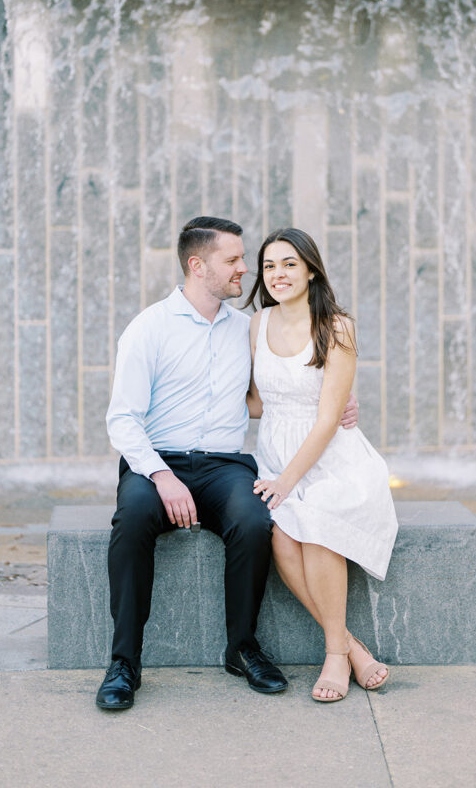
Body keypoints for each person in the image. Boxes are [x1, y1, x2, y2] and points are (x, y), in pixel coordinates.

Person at [96, 216, 359, 711]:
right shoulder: (149, 327)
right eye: (233, 260)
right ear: (198, 266)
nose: (245, 268)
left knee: (255, 520)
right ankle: (124, 662)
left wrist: (338, 401)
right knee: (131, 520)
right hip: (158, 461)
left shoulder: (249, 328)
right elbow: (122, 419)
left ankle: (242, 647)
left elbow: (278, 391)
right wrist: (161, 476)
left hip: (224, 465)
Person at [245, 227, 398, 704]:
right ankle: (352, 647)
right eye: (269, 266)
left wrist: (285, 482)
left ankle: (334, 655)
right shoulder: (257, 324)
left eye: (289, 263)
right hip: (277, 453)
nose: (278, 274)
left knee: (315, 523)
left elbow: (329, 418)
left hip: (332, 458)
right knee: (281, 538)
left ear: (311, 270)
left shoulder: (337, 326)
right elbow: (257, 402)